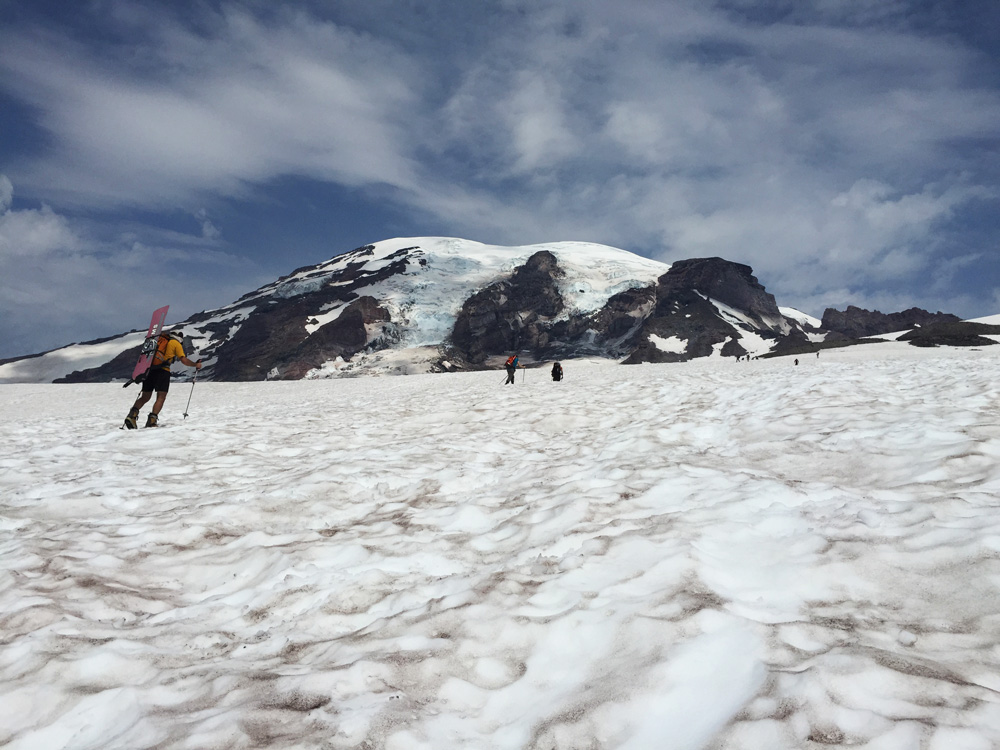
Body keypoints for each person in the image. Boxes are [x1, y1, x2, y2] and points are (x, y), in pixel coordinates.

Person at [124, 330, 201, 428]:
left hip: (149, 371)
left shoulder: (159, 341)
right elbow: (183, 360)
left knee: (145, 397)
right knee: (161, 397)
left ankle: (132, 415)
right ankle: (152, 421)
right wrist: (195, 364)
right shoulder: (175, 343)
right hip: (163, 371)